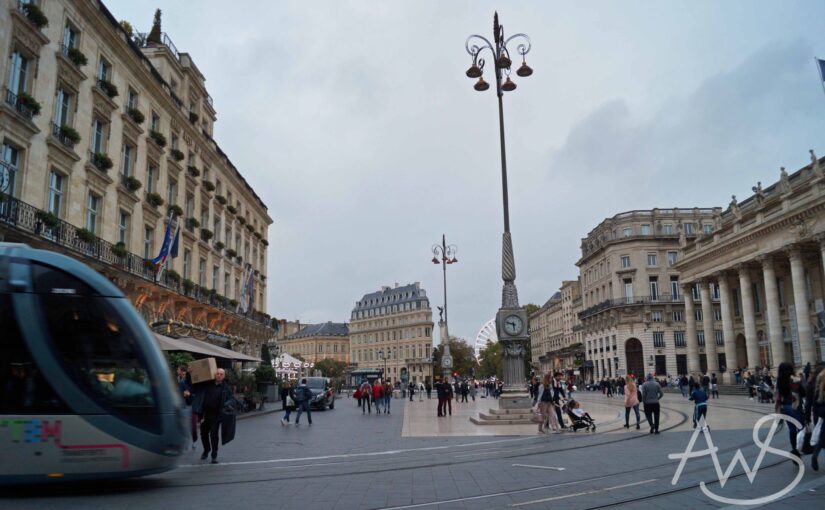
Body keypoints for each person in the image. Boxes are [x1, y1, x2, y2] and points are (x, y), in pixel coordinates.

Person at [192, 368, 233, 464]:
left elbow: (230, 399)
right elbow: (195, 384)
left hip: (216, 415)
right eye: (217, 373)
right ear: (215, 374)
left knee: (214, 435)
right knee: (203, 433)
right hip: (205, 414)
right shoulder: (208, 384)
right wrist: (191, 373)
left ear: (224, 376)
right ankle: (207, 449)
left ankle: (214, 454)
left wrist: (226, 405)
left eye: (221, 374)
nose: (219, 375)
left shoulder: (225, 388)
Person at [775, 362, 805, 458]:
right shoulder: (795, 379)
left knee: (792, 430)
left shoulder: (779, 380)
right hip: (795, 407)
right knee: (801, 428)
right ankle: (801, 448)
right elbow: (803, 393)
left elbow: (778, 395)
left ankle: (795, 451)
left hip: (786, 408)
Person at [805, 368, 825, 471]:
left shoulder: (814, 386)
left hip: (820, 414)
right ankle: (815, 455)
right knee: (822, 437)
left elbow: (810, 403)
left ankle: (815, 455)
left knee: (822, 437)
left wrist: (807, 417)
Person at [176, 365, 197, 449]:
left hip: (193, 406)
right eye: (184, 374)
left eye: (186, 374)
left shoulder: (195, 383)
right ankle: (185, 442)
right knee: (184, 425)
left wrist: (190, 394)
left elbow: (198, 395)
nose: (185, 376)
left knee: (193, 426)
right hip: (184, 406)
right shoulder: (181, 383)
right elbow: (178, 394)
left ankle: (194, 440)